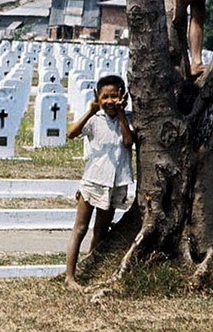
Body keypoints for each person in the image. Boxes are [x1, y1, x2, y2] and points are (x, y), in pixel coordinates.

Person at [64, 74, 134, 290]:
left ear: (123, 97)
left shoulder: (129, 118)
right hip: (93, 180)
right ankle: (70, 276)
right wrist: (91, 110)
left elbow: (128, 141)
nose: (110, 101)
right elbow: (71, 133)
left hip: (115, 182)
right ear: (97, 97)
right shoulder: (95, 119)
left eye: (115, 96)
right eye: (105, 97)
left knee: (101, 232)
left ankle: (89, 268)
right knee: (80, 228)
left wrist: (122, 114)